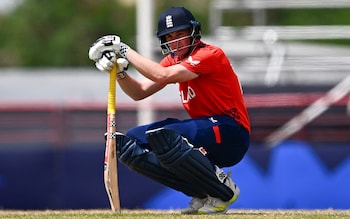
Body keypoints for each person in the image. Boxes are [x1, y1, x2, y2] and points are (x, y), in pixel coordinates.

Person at [88, 6, 250, 214]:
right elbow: (140, 92)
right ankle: (204, 194)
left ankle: (225, 191)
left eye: (180, 34)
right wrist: (120, 73)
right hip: (207, 133)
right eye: (169, 36)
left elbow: (161, 76)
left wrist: (124, 50)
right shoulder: (173, 60)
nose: (175, 41)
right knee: (133, 141)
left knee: (167, 137)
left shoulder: (210, 54)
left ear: (193, 32)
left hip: (232, 133)